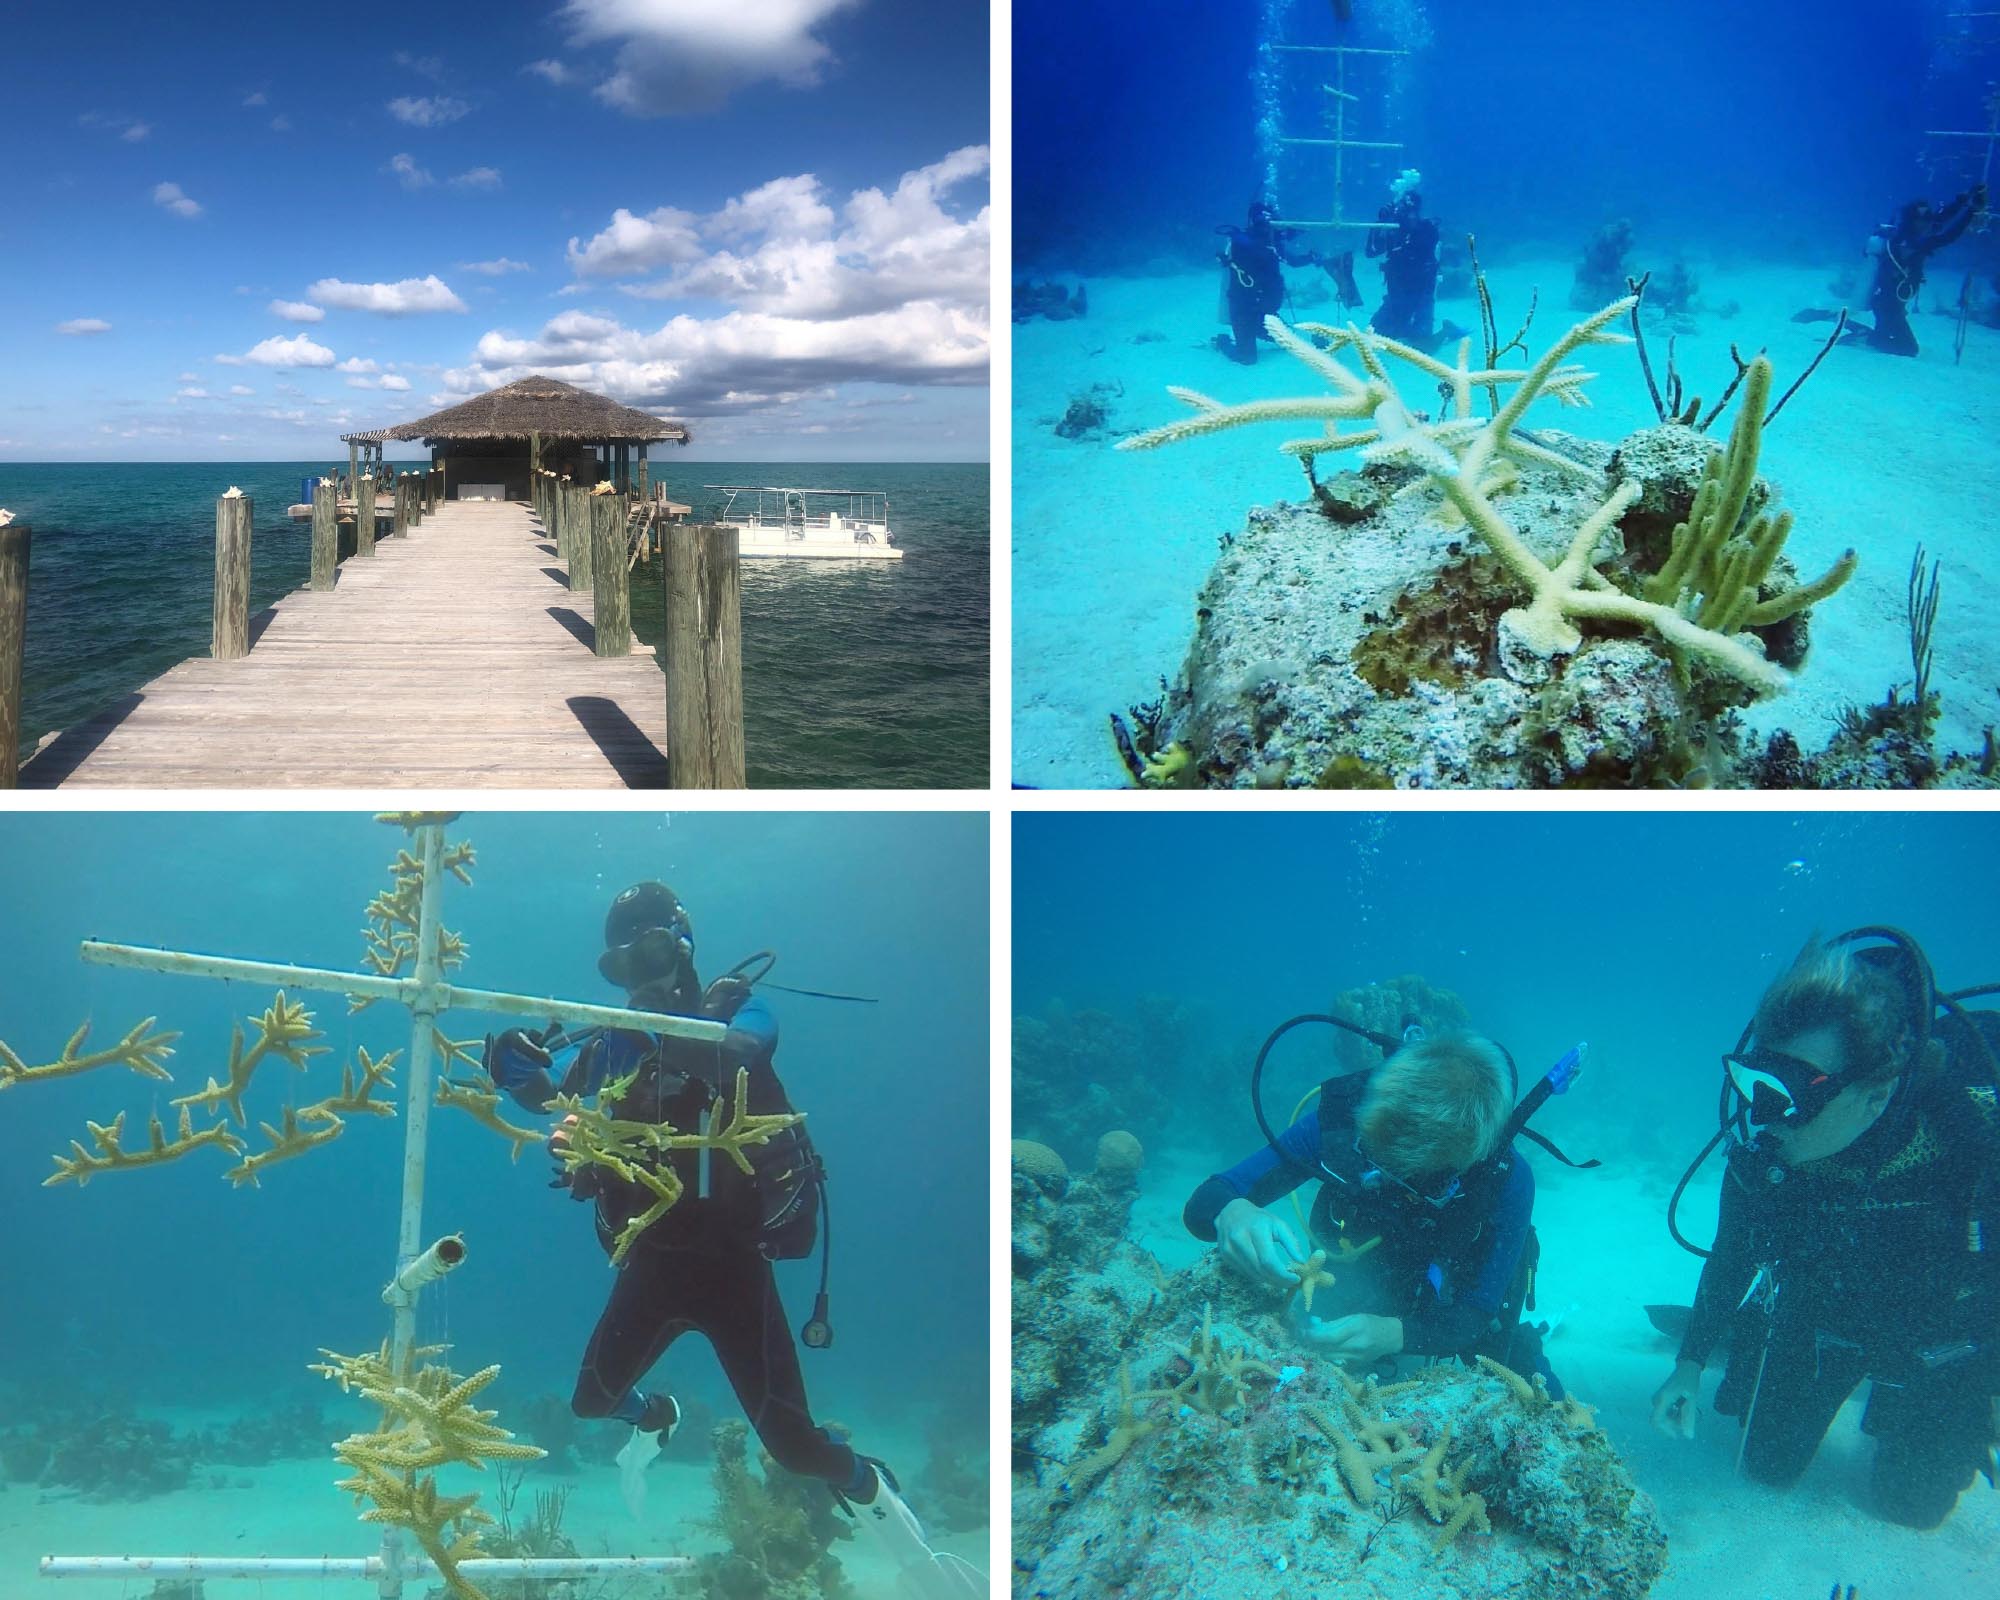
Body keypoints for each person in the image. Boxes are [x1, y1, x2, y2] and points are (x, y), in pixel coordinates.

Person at [484, 881, 980, 1598]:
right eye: (624, 967)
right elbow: (542, 1088)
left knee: (794, 1447)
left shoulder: (736, 1006)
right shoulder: (610, 1040)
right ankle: (658, 1416)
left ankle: (866, 1482)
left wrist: (672, 1032)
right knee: (591, 1403)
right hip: (650, 1262)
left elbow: (747, 1049)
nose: (644, 977)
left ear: (682, 945)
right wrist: (509, 1058)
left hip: (734, 1268)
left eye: (653, 952)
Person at [1649, 929, 2000, 1530]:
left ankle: (1897, 1400)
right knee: (1765, 1468)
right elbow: (1731, 1255)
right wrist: (1690, 1363)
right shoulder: (1769, 1160)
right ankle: (1756, 1335)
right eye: (1754, 1080)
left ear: (1875, 1095)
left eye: (1795, 1092)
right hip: (1826, 1320)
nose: (1763, 1113)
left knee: (1912, 1508)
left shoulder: (1974, 1139)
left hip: (1943, 1347)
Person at [1183, 1029, 1565, 1391]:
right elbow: (1207, 1201)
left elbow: (1474, 1317)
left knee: (1511, 1366)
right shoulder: (1342, 1125)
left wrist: (1393, 1334)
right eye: (1372, 1155)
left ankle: (1530, 1346)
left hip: (1450, 1287)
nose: (1378, 1178)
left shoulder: (1506, 1181)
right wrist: (1232, 1211)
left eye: (1404, 1175)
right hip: (1357, 1270)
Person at [1794, 186, 1988, 356]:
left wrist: (1961, 202)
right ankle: (1860, 335)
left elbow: (1939, 219)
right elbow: (1947, 237)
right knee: (1908, 349)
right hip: (1889, 307)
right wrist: (1970, 210)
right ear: (1911, 221)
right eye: (1920, 219)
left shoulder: (1908, 237)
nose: (1926, 223)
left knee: (1887, 335)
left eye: (1926, 218)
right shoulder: (1909, 243)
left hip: (1890, 305)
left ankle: (1840, 322)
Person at [1364, 169, 1470, 352]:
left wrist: (1404, 230)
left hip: (1422, 292)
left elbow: (1424, 245)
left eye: (1410, 211)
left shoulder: (1427, 228)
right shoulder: (1393, 231)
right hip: (1397, 290)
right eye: (1404, 212)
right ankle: (1407, 325)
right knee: (1376, 333)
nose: (1407, 216)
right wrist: (1379, 224)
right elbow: (1371, 252)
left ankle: (1446, 330)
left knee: (1422, 344)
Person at [1213, 198, 1328, 364]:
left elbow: (1293, 260)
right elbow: (1255, 247)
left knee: (1291, 342)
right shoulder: (1241, 241)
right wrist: (1283, 236)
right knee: (1247, 358)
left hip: (1265, 310)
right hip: (1243, 308)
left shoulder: (1272, 243)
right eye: (1265, 223)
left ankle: (1255, 331)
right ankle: (1223, 341)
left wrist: (1309, 255)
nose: (1267, 228)